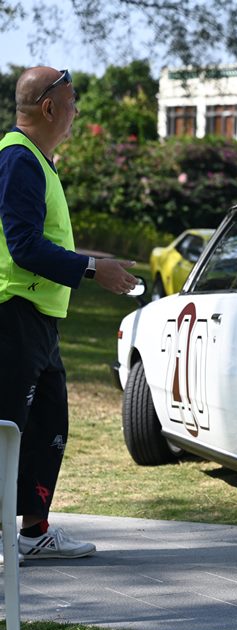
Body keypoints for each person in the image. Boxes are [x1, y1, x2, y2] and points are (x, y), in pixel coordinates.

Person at [0, 67, 139, 559]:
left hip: (39, 318)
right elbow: (23, 247)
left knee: (47, 426)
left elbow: (47, 240)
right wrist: (89, 271)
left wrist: (97, 261)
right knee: (9, 429)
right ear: (49, 107)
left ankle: (34, 534)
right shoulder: (18, 158)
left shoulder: (37, 159)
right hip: (13, 313)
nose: (77, 109)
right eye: (73, 100)